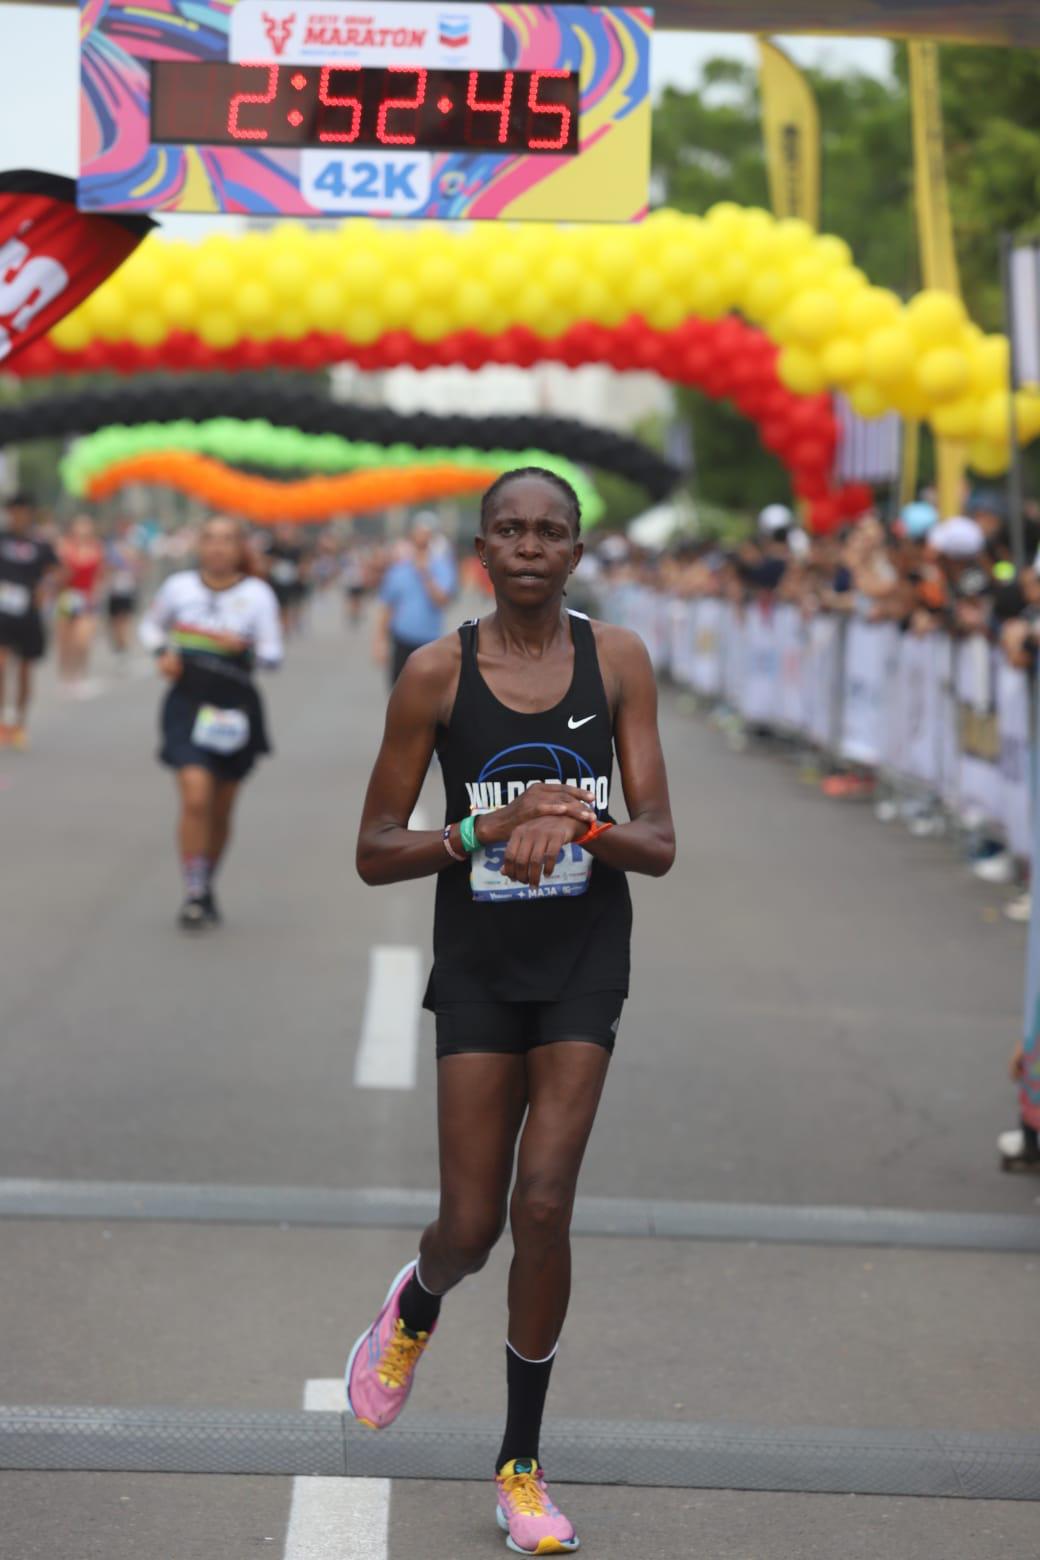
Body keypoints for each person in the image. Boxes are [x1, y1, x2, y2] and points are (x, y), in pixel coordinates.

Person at [347, 467, 675, 1555]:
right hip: (480, 961)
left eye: (550, 531)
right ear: (478, 549)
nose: (529, 545)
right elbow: (374, 851)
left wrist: (574, 825)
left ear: (576, 552)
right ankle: (417, 1301)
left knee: (543, 1205)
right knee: (473, 1226)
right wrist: (483, 835)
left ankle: (520, 1466)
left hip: (583, 957)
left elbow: (659, 842)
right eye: (509, 530)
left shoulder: (615, 658)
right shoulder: (434, 673)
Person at [139, 514, 283, 930]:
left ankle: (207, 881)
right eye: (210, 539)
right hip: (187, 702)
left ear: (240, 549)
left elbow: (274, 656)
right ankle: (194, 890)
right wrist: (162, 652)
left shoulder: (257, 594)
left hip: (236, 707)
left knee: (220, 809)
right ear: (199, 545)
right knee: (196, 796)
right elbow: (150, 626)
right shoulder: (178, 588)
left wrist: (243, 647)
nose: (218, 547)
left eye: (227, 540)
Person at [0, 492, 58, 748]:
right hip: (2, 613)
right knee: (1, 665)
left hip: (29, 614)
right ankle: (3, 721)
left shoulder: (41, 544)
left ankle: (20, 723)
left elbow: (57, 571)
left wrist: (47, 586)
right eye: (15, 511)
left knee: (25, 670)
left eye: (25, 511)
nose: (20, 516)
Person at [374, 513, 457, 685]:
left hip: (429, 642)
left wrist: (425, 574)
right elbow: (388, 607)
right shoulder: (399, 569)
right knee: (398, 692)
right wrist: (380, 641)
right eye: (419, 532)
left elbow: (442, 601)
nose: (422, 537)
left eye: (426, 533)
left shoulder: (442, 567)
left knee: (426, 696)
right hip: (401, 639)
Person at [55, 513, 106, 693]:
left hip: (86, 597)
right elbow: (59, 574)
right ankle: (65, 675)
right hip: (67, 596)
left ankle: (80, 675)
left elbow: (100, 575)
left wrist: (97, 596)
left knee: (82, 640)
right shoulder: (64, 547)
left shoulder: (97, 548)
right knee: (66, 640)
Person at [105, 518, 143, 656]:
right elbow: (107, 565)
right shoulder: (112, 545)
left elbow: (138, 565)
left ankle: (123, 642)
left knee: (125, 616)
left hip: (128, 586)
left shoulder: (132, 545)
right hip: (115, 587)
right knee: (115, 617)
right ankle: (118, 641)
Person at [264, 523, 310, 637]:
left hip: (292, 581)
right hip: (276, 581)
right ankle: (282, 626)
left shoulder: (296, 549)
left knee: (292, 603)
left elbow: (303, 563)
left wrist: (302, 575)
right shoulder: (272, 548)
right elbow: (266, 562)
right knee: (279, 605)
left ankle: (292, 623)